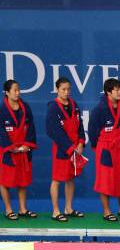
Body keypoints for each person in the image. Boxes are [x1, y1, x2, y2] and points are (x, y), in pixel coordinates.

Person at [89, 78, 120, 221]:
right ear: (108, 92)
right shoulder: (99, 110)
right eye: (116, 90)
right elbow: (92, 131)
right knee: (105, 180)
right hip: (106, 148)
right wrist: (97, 146)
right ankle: (106, 211)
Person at [46, 77, 86, 222]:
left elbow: (80, 126)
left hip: (75, 148)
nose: (66, 92)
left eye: (68, 89)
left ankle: (68, 208)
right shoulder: (53, 108)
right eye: (63, 89)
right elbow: (53, 132)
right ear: (57, 89)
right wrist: (70, 148)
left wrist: (81, 142)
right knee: (57, 180)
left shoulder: (74, 105)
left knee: (70, 178)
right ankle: (56, 211)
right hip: (62, 149)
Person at [0, 80, 37, 220]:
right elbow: (1, 131)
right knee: (5, 181)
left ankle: (22, 209)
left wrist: (28, 144)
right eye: (14, 90)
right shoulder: (2, 110)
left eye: (18, 90)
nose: (17, 93)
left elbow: (31, 127)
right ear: (7, 92)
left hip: (23, 150)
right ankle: (9, 209)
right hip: (8, 151)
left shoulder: (25, 107)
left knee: (23, 180)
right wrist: (10, 147)